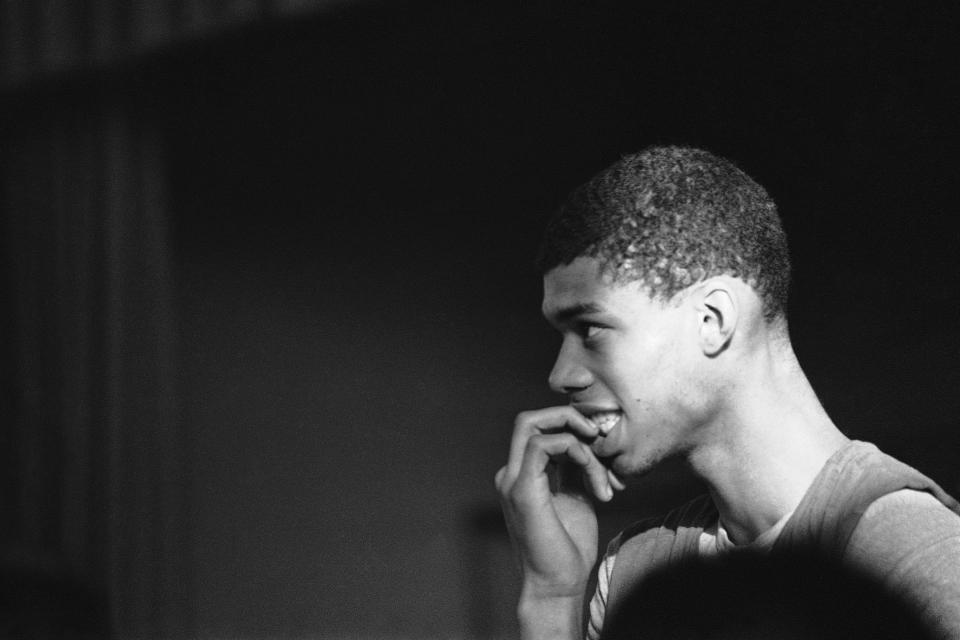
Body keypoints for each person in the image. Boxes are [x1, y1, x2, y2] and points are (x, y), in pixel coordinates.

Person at [494, 146, 960, 640]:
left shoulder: (915, 555)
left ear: (712, 321)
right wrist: (553, 596)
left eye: (590, 328)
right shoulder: (630, 570)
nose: (561, 375)